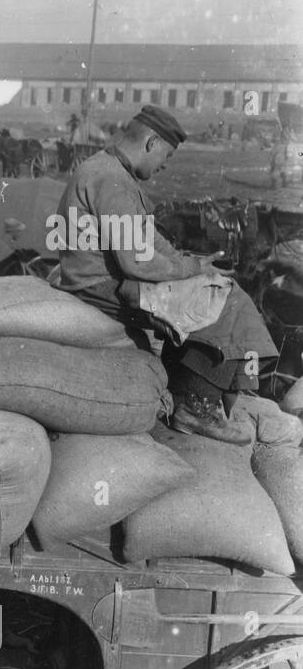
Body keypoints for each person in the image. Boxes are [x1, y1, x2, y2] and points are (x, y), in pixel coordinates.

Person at [54, 105, 277, 444]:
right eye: (166, 155)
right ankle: (195, 406)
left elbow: (149, 240)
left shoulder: (109, 169)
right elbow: (137, 263)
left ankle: (186, 388)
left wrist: (191, 263)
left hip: (106, 279)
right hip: (104, 286)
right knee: (227, 300)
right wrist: (191, 269)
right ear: (151, 142)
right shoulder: (111, 179)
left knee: (211, 287)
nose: (164, 165)